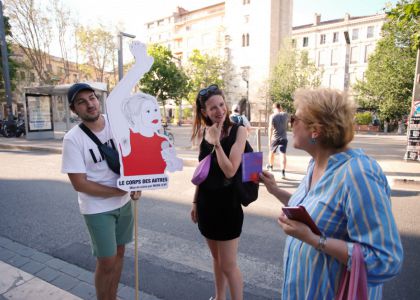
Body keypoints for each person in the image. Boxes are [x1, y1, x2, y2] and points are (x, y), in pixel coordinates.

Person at [260, 88, 403, 299]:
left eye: (294, 119)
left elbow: (385, 259)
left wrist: (314, 240)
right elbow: (315, 209)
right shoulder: (316, 164)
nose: (291, 124)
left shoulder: (358, 174)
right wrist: (275, 190)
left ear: (315, 130)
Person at [61, 82, 141, 300]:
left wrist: (136, 184)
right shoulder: (72, 139)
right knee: (106, 261)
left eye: (92, 98)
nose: (90, 104)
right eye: (81, 102)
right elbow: (80, 183)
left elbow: (133, 155)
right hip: (97, 208)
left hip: (123, 203)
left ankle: (111, 297)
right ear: (74, 110)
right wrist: (117, 191)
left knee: (120, 253)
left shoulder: (116, 122)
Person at [191, 84, 248, 300]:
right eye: (213, 108)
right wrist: (195, 202)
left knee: (229, 264)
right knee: (216, 259)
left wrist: (216, 143)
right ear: (204, 112)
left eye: (221, 105)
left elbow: (230, 170)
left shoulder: (238, 131)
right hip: (207, 205)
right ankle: (219, 297)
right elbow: (201, 173)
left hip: (228, 206)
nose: (219, 111)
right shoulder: (206, 132)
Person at [266, 102, 288, 178]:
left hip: (275, 138)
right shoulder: (285, 115)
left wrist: (269, 139)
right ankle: (283, 172)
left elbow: (270, 128)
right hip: (284, 138)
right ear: (280, 107)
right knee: (283, 154)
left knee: (271, 152)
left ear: (274, 108)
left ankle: (271, 166)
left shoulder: (272, 116)